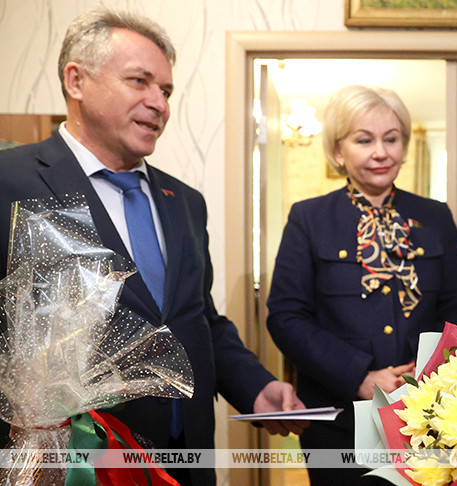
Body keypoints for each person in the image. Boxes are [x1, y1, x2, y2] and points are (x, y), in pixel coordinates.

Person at [0, 7, 307, 485]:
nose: (159, 103)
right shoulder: (11, 181)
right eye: (139, 81)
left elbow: (197, 319)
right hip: (78, 467)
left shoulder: (185, 201)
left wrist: (257, 388)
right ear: (76, 81)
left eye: (165, 90)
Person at [266, 84, 457, 485]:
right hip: (338, 417)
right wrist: (360, 377)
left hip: (430, 413)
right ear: (338, 150)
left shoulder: (435, 216)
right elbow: (286, 318)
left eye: (391, 139)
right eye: (364, 140)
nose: (381, 152)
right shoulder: (309, 218)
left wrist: (433, 372)